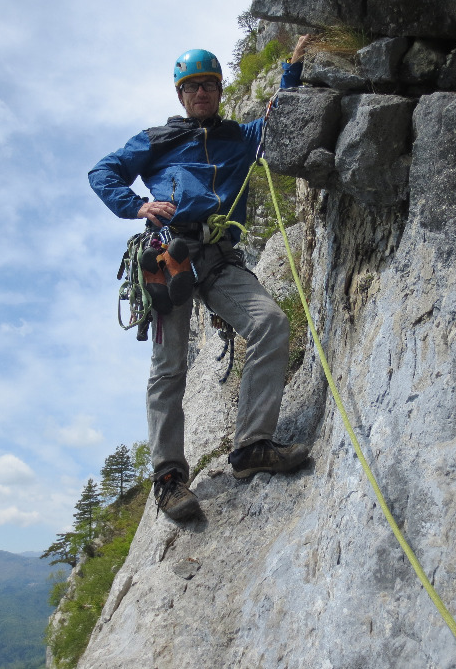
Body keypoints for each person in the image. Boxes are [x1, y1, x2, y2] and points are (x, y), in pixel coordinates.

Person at [88, 37, 311, 521]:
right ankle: (169, 479)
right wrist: (138, 206)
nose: (202, 93)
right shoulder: (158, 139)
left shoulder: (240, 137)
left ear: (219, 90)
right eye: (192, 87)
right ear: (180, 95)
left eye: (209, 84)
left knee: (270, 323)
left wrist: (292, 70)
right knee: (169, 368)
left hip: (218, 255)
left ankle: (252, 446)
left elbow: (276, 117)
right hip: (169, 254)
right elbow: (103, 171)